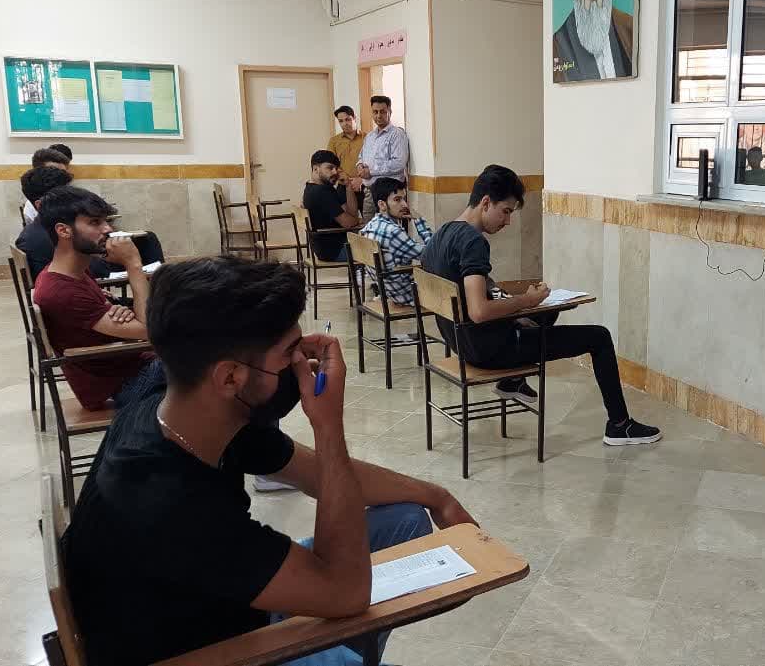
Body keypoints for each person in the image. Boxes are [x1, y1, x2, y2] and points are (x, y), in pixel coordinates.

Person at [61, 255, 476, 666]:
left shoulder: (183, 401)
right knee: (348, 596)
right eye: (289, 354)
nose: (302, 365)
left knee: (407, 517)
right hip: (216, 649)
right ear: (230, 377)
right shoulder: (168, 503)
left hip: (220, 600)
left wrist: (436, 496)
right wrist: (328, 425)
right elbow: (347, 593)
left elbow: (315, 473)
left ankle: (345, 648)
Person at [421, 164, 662, 445]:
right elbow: (479, 311)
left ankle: (512, 381)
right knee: (599, 337)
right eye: (506, 211)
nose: (508, 221)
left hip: (461, 343)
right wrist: (526, 301)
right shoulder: (473, 242)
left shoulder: (441, 235)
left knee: (546, 314)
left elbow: (469, 294)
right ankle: (620, 425)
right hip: (488, 350)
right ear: (486, 202)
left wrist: (520, 306)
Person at [31, 186, 153, 410]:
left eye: (106, 221)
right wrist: (133, 264)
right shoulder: (63, 291)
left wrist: (114, 308)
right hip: (126, 383)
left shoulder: (70, 272)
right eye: (95, 222)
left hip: (132, 364)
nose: (108, 229)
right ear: (63, 230)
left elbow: (124, 320)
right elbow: (148, 331)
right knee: (214, 355)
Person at [16, 167, 165, 281]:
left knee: (145, 239)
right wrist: (132, 263)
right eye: (65, 194)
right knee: (143, 243)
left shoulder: (37, 229)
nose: (73, 197)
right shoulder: (44, 236)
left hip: (89, 274)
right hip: (92, 269)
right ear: (40, 205)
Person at [358, 177, 433, 307]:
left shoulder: (370, 226)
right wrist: (419, 221)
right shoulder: (393, 232)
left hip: (388, 291)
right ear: (382, 204)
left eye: (404, 199)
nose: (405, 205)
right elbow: (431, 254)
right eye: (397, 200)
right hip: (408, 294)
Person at [302, 150, 362, 262]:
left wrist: (348, 185)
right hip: (336, 250)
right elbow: (349, 223)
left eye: (336, 168)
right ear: (316, 169)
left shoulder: (312, 187)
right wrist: (357, 220)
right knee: (381, 250)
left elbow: (351, 214)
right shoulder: (321, 193)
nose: (335, 172)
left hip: (326, 248)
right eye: (330, 168)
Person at [356, 96, 408, 217]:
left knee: (387, 226)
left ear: (390, 111)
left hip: (389, 194)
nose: (379, 115)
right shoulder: (370, 136)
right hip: (369, 191)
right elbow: (361, 157)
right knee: (369, 226)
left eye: (383, 112)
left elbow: (399, 163)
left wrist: (371, 171)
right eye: (375, 112)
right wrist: (359, 166)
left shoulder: (397, 134)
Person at [327, 105, 366, 209]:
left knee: (368, 217)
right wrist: (345, 178)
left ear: (354, 118)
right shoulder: (334, 141)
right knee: (347, 217)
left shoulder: (367, 138)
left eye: (348, 119)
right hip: (343, 185)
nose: (344, 123)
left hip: (363, 185)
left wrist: (361, 180)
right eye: (341, 121)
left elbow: (373, 162)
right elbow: (330, 164)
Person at [24, 147, 72, 224]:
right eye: (54, 171)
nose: (62, 177)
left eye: (64, 173)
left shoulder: (69, 197)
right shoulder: (32, 208)